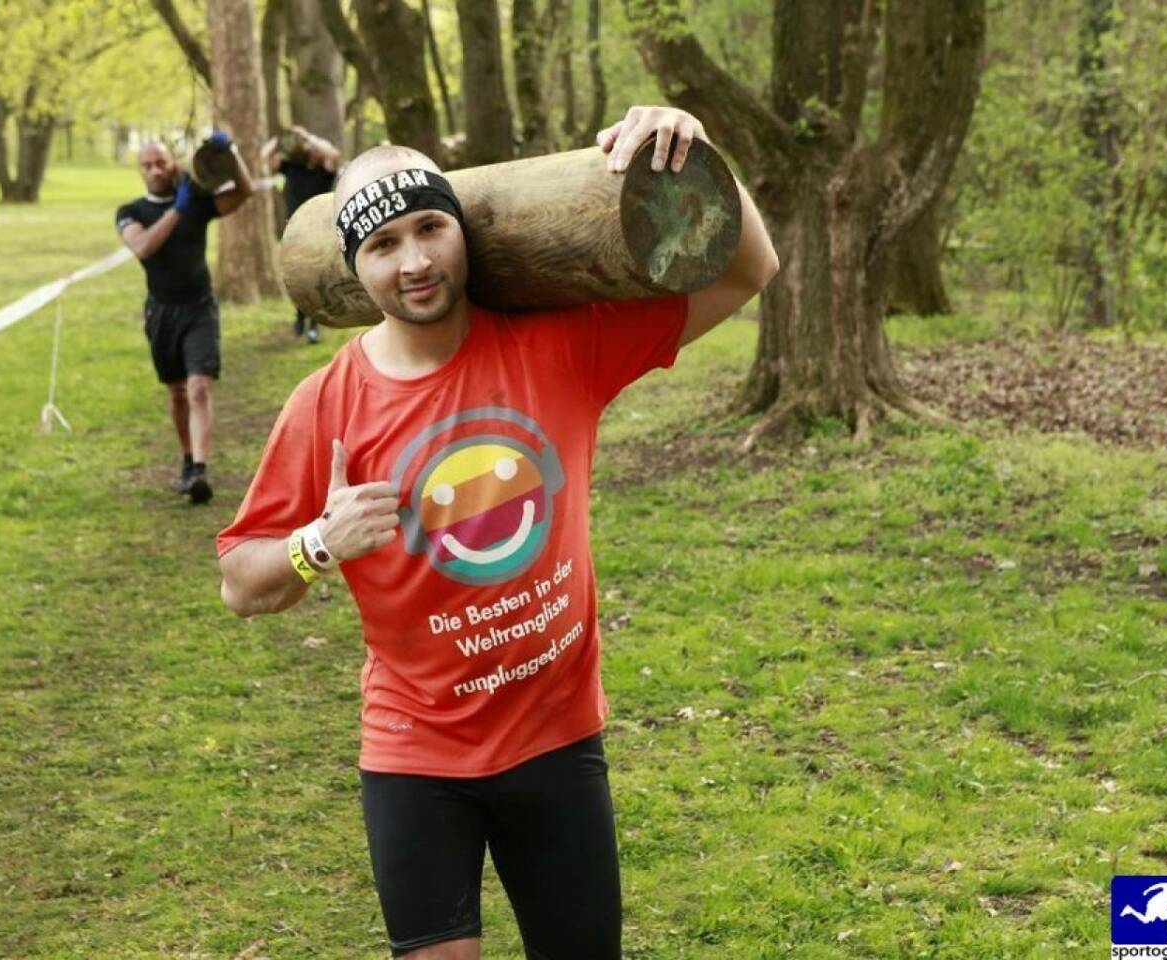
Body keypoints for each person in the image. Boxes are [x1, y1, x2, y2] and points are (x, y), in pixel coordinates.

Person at [217, 105, 778, 959]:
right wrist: (317, 543)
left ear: (461, 229)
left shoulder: (562, 346)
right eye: (383, 245)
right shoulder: (326, 404)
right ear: (353, 267)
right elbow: (240, 584)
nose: (415, 262)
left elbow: (751, 267)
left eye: (430, 228)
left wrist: (695, 143)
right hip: (416, 753)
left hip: (556, 740)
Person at [115, 133, 257, 504]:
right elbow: (144, 247)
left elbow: (244, 191)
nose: (155, 169)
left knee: (198, 388)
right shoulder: (130, 212)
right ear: (140, 171)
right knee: (177, 392)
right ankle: (187, 457)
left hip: (199, 307)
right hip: (162, 311)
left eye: (161, 162)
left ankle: (200, 470)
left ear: (173, 163)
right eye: (147, 165)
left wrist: (231, 152)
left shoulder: (197, 200)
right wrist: (176, 210)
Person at [262, 126, 342, 344]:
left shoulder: (324, 173)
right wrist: (281, 139)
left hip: (317, 234)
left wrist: (309, 137)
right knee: (295, 277)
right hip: (292, 231)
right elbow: (266, 157)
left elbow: (333, 155)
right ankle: (299, 318)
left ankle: (314, 324)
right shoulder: (292, 168)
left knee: (316, 279)